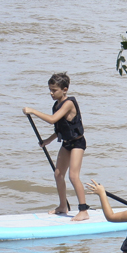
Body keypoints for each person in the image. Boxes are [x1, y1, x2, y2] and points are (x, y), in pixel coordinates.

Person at [23, 72, 90, 222]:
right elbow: (60, 129)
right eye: (50, 89)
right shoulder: (56, 105)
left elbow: (52, 120)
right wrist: (48, 140)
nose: (51, 93)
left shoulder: (68, 103)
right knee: (58, 175)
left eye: (54, 90)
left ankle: (83, 210)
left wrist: (33, 111)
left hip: (78, 144)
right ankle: (62, 206)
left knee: (73, 176)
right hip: (66, 143)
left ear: (65, 89)